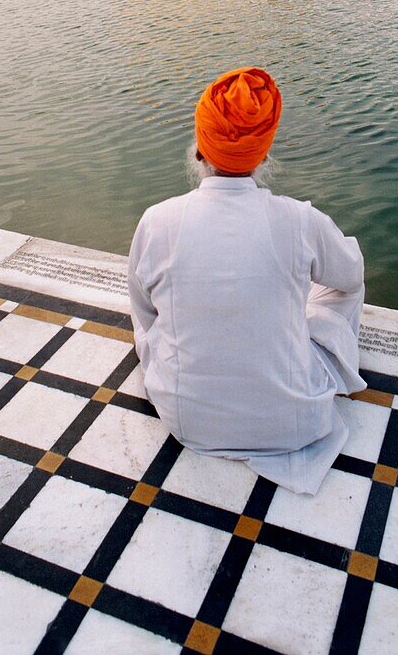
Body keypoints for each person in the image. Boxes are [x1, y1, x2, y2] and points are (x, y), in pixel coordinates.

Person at [127, 67, 366, 495]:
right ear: (263, 157)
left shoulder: (157, 221)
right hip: (293, 422)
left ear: (200, 151)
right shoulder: (300, 221)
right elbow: (351, 276)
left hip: (188, 420)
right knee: (339, 285)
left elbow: (146, 315)